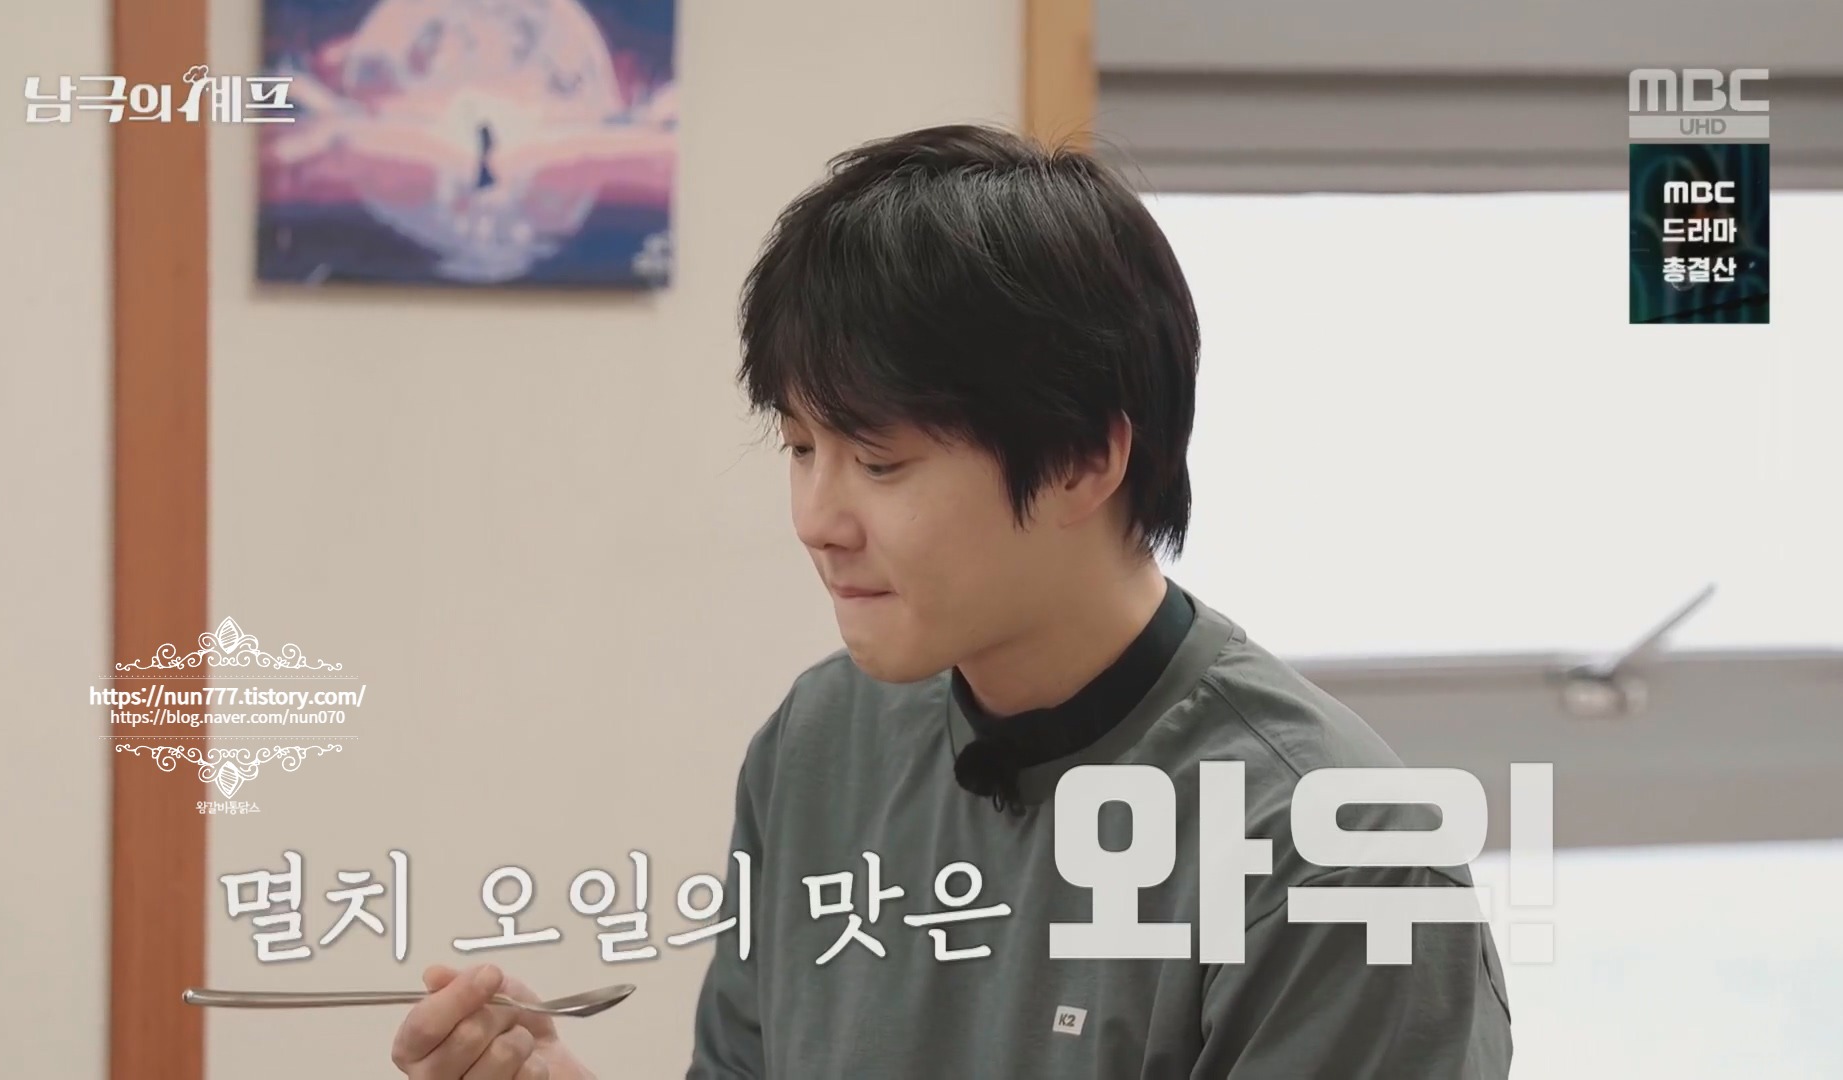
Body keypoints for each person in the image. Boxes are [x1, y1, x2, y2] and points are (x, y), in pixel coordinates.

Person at [391, 123, 1513, 1079]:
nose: (818, 519)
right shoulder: (823, 743)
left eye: (880, 464)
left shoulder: (1337, 852)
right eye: (799, 447)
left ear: (1083, 460)